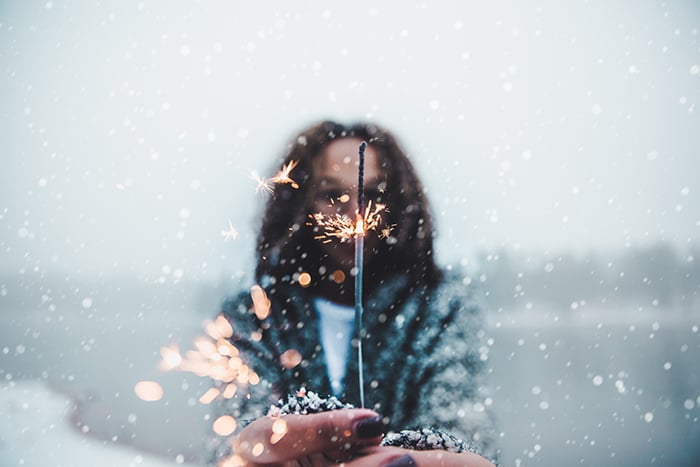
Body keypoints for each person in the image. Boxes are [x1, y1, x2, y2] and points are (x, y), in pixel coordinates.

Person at [211, 121, 499, 466]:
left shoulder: (441, 308)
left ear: (397, 201)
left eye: (374, 195)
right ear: (298, 203)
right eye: (332, 195)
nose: (355, 215)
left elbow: (462, 429)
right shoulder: (254, 316)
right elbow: (232, 439)